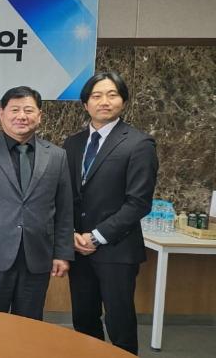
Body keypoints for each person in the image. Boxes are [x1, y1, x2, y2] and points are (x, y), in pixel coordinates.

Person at [0, 86, 74, 320]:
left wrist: (62, 253)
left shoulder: (57, 156)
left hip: (37, 255)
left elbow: (64, 210)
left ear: (39, 115)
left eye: (28, 110)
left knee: (29, 324)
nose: (22, 116)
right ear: (1, 113)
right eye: (15, 110)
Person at [63, 72, 158, 355]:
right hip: (77, 248)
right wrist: (71, 234)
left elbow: (138, 202)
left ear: (123, 101)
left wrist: (96, 236)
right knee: (83, 318)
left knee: (119, 321)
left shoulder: (139, 144)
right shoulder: (72, 143)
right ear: (85, 104)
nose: (104, 101)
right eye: (96, 96)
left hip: (116, 249)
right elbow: (65, 194)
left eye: (112, 94)